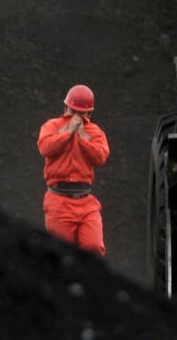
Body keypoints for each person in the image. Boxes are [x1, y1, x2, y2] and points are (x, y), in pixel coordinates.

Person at [37, 84, 110, 256]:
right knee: (61, 255)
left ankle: (89, 282)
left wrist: (82, 138)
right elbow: (45, 148)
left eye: (81, 113)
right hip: (58, 200)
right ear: (65, 108)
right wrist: (68, 133)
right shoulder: (52, 126)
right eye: (73, 111)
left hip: (86, 201)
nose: (76, 117)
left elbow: (100, 157)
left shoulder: (95, 131)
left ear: (89, 114)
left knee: (94, 247)